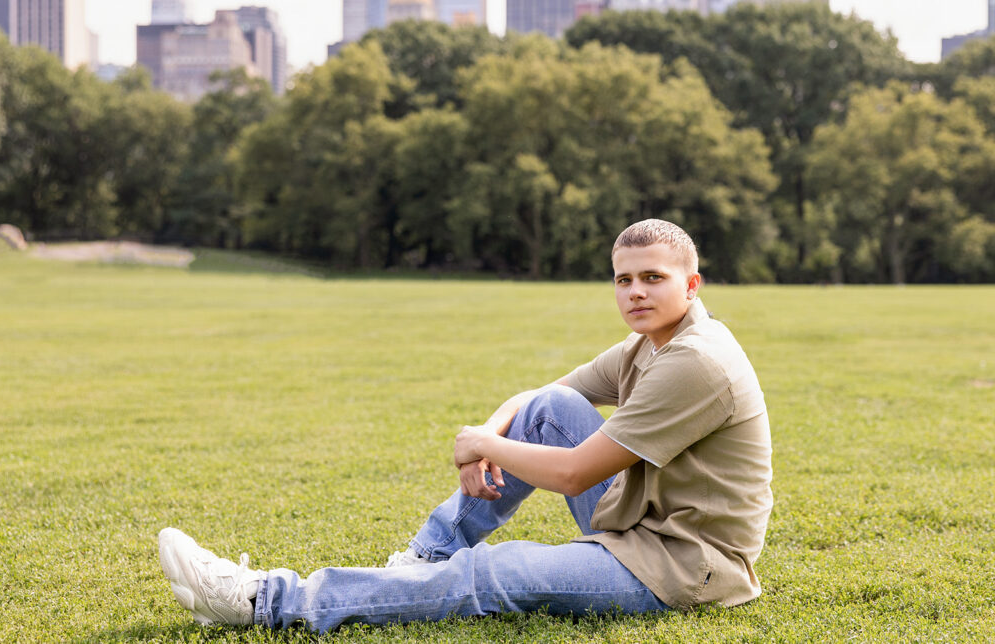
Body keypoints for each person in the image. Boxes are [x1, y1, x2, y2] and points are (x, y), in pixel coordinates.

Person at [158, 218, 773, 633]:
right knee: (546, 415)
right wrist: (487, 433)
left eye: (653, 279)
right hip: (640, 525)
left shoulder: (696, 361)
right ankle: (424, 559)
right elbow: (544, 398)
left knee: (495, 575)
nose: (635, 293)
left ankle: (268, 601)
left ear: (691, 286)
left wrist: (483, 444)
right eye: (623, 279)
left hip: (683, 567)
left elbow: (576, 471)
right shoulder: (651, 343)